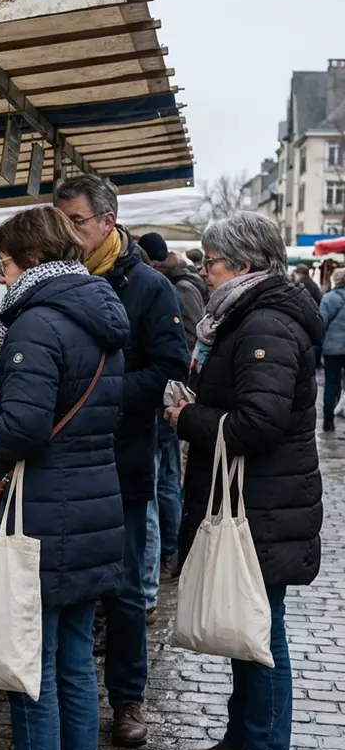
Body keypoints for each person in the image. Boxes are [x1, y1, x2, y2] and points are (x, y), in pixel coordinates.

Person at [0, 206, 129, 750]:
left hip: (45, 518)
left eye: (2, 263)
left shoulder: (37, 324)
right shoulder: (101, 315)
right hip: (91, 511)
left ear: (26, 259)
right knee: (75, 666)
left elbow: (19, 432)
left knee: (32, 669)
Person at [165, 212, 322, 750]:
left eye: (213, 262)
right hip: (256, 501)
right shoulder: (245, 316)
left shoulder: (266, 324)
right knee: (247, 629)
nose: (205, 271)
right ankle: (241, 739)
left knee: (262, 633)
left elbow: (257, 422)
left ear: (246, 266)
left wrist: (189, 419)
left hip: (265, 504)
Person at [55, 175, 189, 749]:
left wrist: (103, 393)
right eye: (61, 222)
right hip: (63, 464)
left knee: (128, 590)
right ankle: (67, 694)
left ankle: (128, 701)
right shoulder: (58, 280)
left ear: (107, 222)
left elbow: (171, 368)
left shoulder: (150, 288)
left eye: (77, 223)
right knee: (69, 586)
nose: (68, 232)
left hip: (124, 460)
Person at [136, 232, 208, 596]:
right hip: (165, 402)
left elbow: (186, 346)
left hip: (165, 404)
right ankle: (170, 553)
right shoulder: (177, 285)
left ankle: (167, 558)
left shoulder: (176, 290)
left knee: (160, 486)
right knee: (163, 484)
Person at [319, 268, 345, 431]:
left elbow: (321, 322)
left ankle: (328, 422)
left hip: (332, 349)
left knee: (331, 383)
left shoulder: (328, 298)